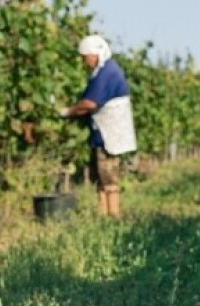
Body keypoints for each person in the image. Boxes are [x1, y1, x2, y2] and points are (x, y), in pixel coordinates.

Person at [60, 35, 137, 219]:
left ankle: (113, 216)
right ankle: (103, 216)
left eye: (85, 57)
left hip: (109, 134)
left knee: (109, 177)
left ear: (94, 54)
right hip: (104, 133)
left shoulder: (107, 72)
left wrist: (67, 111)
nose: (84, 62)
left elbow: (90, 103)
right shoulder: (105, 71)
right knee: (101, 177)